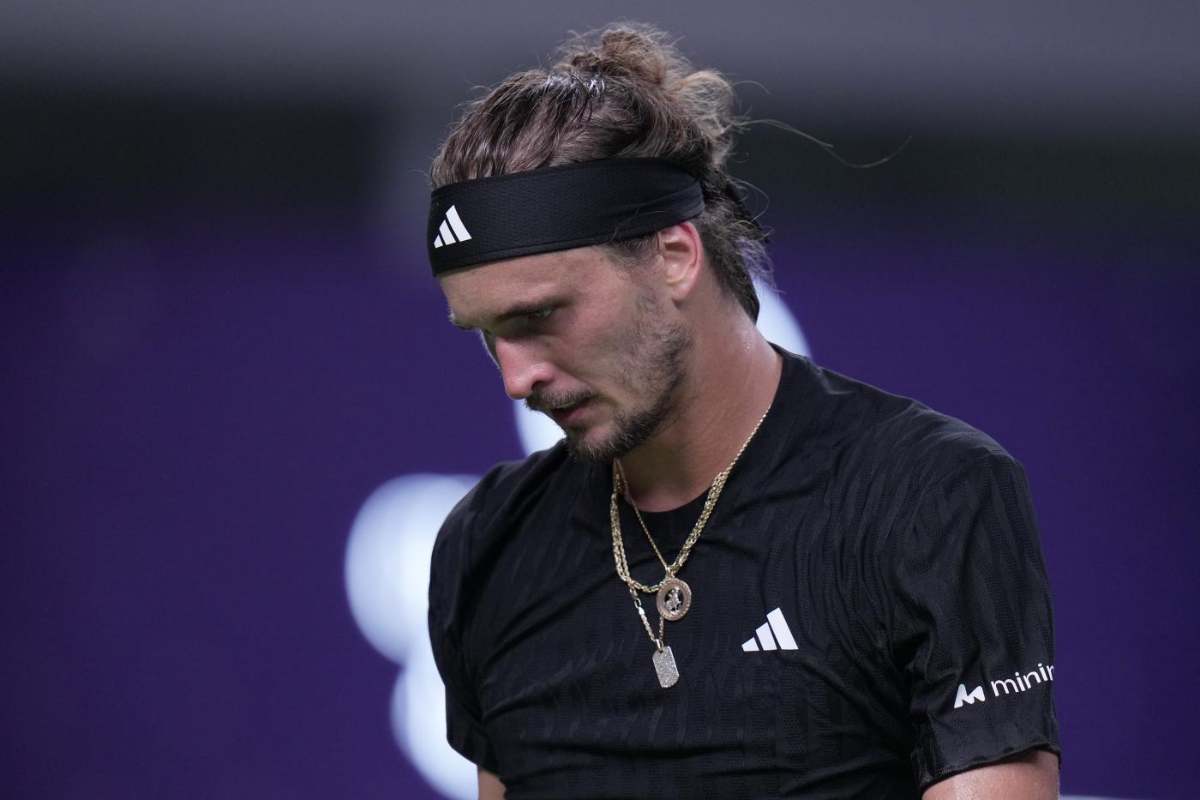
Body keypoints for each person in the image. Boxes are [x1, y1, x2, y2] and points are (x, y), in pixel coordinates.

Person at [426, 23, 1060, 800]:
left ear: (674, 257)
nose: (516, 378)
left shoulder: (928, 493)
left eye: (539, 317)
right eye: (489, 337)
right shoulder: (487, 543)